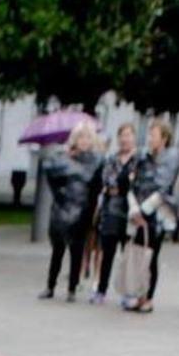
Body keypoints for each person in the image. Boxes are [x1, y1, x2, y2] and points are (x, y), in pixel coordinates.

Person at [123, 120, 179, 313]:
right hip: (138, 212)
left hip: (156, 215)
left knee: (151, 255)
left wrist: (143, 210)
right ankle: (134, 293)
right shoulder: (143, 157)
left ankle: (147, 297)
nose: (150, 139)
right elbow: (133, 183)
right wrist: (133, 208)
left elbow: (163, 188)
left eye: (153, 135)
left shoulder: (172, 157)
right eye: (149, 135)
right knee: (137, 254)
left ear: (163, 138)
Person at [40, 123, 102, 302]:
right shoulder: (63, 158)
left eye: (87, 137)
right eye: (81, 137)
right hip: (62, 208)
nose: (84, 141)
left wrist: (92, 209)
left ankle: (72, 288)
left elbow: (96, 186)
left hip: (82, 210)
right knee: (57, 250)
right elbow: (49, 171)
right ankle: (50, 285)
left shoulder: (95, 161)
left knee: (77, 250)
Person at [93, 123, 136, 304]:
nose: (124, 139)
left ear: (134, 138)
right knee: (107, 253)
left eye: (128, 135)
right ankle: (101, 290)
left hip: (130, 212)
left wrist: (121, 186)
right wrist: (122, 185)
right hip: (111, 211)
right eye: (122, 135)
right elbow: (107, 182)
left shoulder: (139, 159)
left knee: (128, 256)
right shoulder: (111, 159)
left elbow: (135, 184)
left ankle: (127, 293)